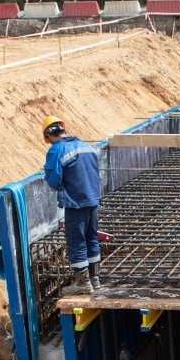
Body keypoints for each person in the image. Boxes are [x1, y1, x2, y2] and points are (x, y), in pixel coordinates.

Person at [42, 116, 103, 294]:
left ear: (48, 135)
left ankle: (83, 283)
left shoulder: (56, 150)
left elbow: (53, 179)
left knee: (76, 240)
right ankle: (94, 279)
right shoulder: (85, 145)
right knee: (91, 237)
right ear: (63, 129)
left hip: (75, 202)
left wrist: (59, 186)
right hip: (92, 198)